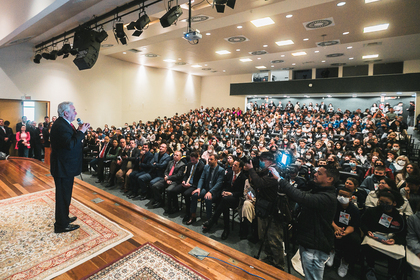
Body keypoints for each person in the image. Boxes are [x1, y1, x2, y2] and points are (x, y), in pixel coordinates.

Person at [276, 166, 339, 280]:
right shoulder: (318, 190)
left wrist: (280, 180)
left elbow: (302, 197)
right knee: (308, 274)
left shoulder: (327, 197)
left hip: (315, 245)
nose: (315, 174)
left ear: (329, 179)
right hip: (309, 239)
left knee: (313, 277)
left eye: (319, 173)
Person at [50, 102, 90, 233]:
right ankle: (61, 225)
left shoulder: (65, 123)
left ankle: (64, 218)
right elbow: (70, 145)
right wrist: (80, 132)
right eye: (73, 110)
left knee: (66, 195)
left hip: (66, 166)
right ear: (66, 113)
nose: (76, 113)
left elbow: (71, 140)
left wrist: (79, 131)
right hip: (63, 167)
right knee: (62, 197)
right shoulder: (61, 126)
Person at [244, 152, 285, 270]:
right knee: (264, 236)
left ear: (270, 160)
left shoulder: (275, 172)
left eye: (263, 160)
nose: (261, 162)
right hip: (264, 207)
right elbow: (255, 183)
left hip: (273, 210)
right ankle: (269, 257)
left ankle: (278, 265)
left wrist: (251, 169)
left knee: (274, 239)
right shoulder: (265, 170)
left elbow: (260, 183)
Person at [361, 190, 407, 280]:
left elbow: (403, 234)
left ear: (394, 203)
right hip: (373, 236)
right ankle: (370, 268)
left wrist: (395, 240)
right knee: (367, 246)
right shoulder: (371, 211)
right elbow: (363, 223)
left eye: (387, 202)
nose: (383, 204)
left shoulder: (399, 217)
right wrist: (367, 231)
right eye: (381, 201)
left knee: (395, 254)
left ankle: (392, 274)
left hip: (391, 239)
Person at [202, 160, 247, 240]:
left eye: (235, 165)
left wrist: (231, 194)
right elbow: (224, 185)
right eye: (233, 164)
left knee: (224, 201)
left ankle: (212, 220)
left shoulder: (243, 178)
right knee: (224, 203)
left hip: (236, 199)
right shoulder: (229, 174)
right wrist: (224, 191)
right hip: (226, 198)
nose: (233, 166)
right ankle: (226, 229)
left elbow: (241, 193)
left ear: (240, 168)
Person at [407, 204, 420, 280]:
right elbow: (411, 238)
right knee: (417, 270)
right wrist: (418, 251)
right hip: (418, 247)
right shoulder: (413, 219)